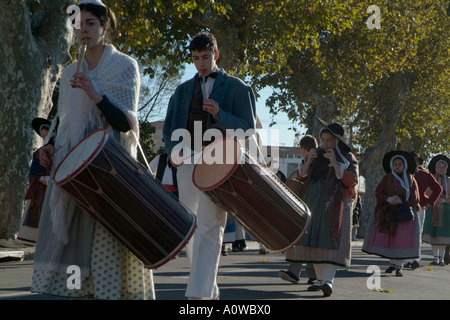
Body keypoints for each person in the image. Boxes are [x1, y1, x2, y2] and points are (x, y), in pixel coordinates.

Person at [31, 0, 154, 300]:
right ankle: (78, 294)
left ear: (105, 27)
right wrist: (47, 148)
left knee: (105, 244)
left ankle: (109, 295)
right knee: (74, 247)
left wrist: (95, 93)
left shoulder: (125, 66)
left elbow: (125, 124)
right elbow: (63, 121)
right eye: (78, 24)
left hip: (107, 171)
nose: (83, 30)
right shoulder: (71, 69)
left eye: (91, 24)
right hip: (72, 171)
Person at [163, 32, 256, 299]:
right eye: (195, 58)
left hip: (219, 163)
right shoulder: (181, 91)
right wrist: (173, 152)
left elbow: (248, 130)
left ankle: (198, 296)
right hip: (187, 163)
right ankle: (207, 289)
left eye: (205, 57)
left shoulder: (239, 87)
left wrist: (220, 114)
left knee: (210, 226)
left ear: (216, 55)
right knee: (191, 226)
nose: (200, 64)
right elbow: (169, 130)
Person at [283, 119, 358, 297]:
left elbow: (351, 182)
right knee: (315, 241)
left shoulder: (347, 158)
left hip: (335, 203)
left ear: (338, 141)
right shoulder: (316, 154)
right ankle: (320, 279)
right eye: (323, 139)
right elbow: (302, 177)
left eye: (329, 140)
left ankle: (328, 281)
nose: (325, 144)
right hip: (313, 201)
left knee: (331, 241)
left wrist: (336, 163)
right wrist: (308, 161)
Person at [362, 150, 421, 277]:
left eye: (400, 164)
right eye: (395, 164)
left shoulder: (411, 179)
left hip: (405, 215)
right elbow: (378, 192)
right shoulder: (387, 178)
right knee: (392, 240)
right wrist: (389, 199)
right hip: (389, 213)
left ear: (404, 165)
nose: (397, 166)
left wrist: (402, 201)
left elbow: (415, 197)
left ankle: (399, 266)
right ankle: (393, 264)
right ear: (392, 166)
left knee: (402, 240)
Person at [278, 134, 318, 285]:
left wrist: (308, 160)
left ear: (303, 149)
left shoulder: (312, 160)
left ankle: (303, 273)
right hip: (311, 204)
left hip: (309, 203)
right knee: (306, 239)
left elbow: (302, 175)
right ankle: (307, 274)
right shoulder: (315, 159)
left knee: (304, 238)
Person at [404, 152, 442, 269]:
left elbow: (437, 188)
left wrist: (429, 203)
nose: (414, 162)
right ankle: (405, 258)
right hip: (404, 207)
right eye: (411, 160)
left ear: (418, 163)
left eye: (416, 161)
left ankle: (414, 259)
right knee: (405, 233)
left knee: (417, 232)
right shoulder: (402, 174)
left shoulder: (425, 175)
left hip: (420, 207)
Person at [18, 118, 52, 242]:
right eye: (42, 135)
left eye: (46, 135)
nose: (44, 138)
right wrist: (41, 178)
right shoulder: (39, 153)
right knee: (37, 210)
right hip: (40, 188)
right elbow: (34, 171)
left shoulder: (58, 150)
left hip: (53, 187)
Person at [422, 154, 450, 266]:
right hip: (432, 209)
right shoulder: (431, 179)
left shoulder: (449, 181)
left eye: (443, 167)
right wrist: (434, 200)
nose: (441, 169)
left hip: (446, 210)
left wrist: (443, 201)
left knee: (443, 235)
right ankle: (435, 258)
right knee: (434, 234)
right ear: (436, 167)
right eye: (439, 167)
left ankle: (441, 258)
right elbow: (427, 192)